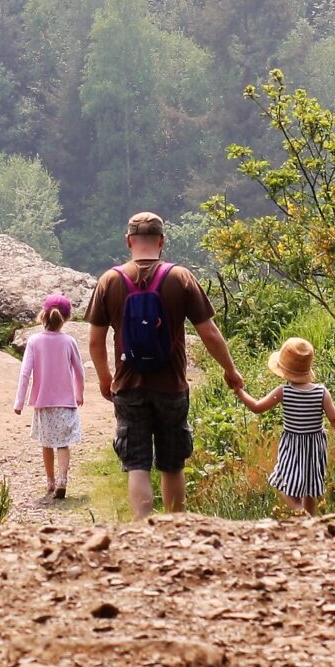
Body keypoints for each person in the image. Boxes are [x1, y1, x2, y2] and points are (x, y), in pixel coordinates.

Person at [85, 211, 247, 518]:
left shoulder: (110, 280)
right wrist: (230, 369)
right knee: (172, 463)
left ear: (129, 241)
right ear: (161, 241)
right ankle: (174, 527)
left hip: (129, 385)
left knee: (137, 463)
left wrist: (105, 378)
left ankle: (144, 529)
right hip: (171, 385)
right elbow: (210, 333)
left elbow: (95, 340)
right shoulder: (180, 277)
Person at [235, 336, 335, 516]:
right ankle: (311, 519)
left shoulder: (284, 391)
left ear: (283, 369)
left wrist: (239, 391)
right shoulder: (322, 392)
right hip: (315, 446)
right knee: (309, 487)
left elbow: (257, 407)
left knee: (284, 484)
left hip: (293, 445)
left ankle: (302, 514)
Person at [13, 293, 86, 500]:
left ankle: (50, 481)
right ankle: (63, 479)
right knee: (63, 443)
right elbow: (79, 371)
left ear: (43, 315)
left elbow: (25, 373)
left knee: (46, 443)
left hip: (43, 402)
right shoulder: (69, 341)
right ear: (66, 317)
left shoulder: (34, 341)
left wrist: (19, 402)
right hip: (66, 402)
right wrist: (79, 393)